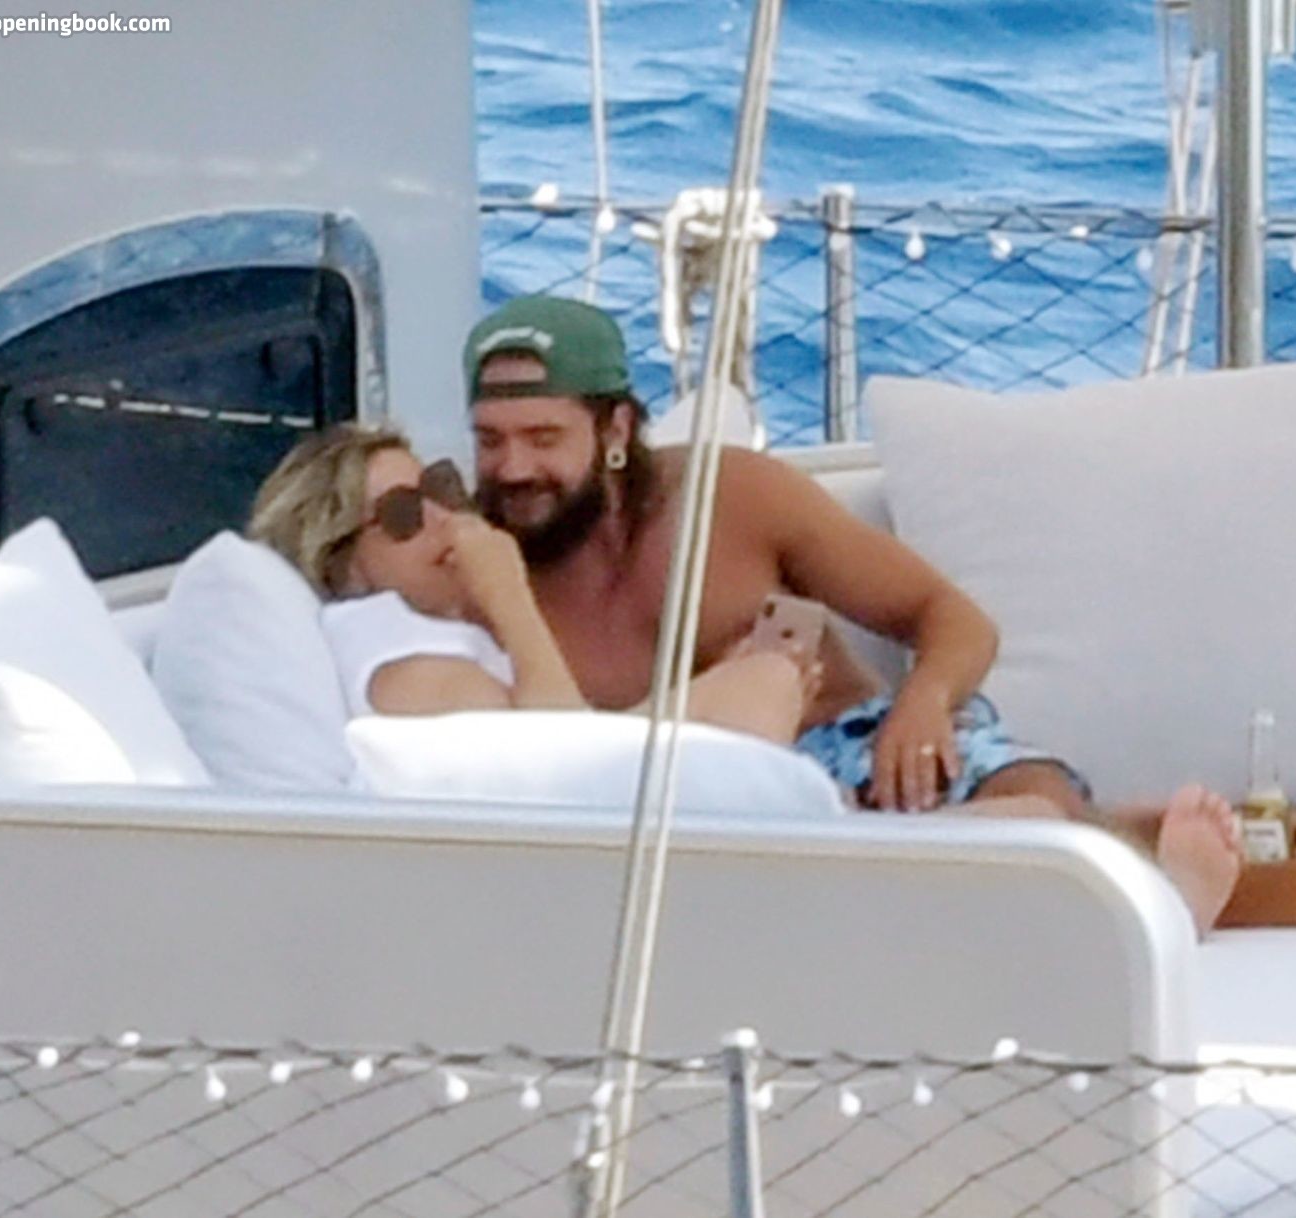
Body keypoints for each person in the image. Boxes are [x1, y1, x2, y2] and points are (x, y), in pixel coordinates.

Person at [462, 295, 1243, 934]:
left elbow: (951, 617)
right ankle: (1106, 862)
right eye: (489, 441)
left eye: (543, 438)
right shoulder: (477, 571)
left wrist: (923, 704)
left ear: (616, 430)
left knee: (1033, 786)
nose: (513, 469)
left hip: (857, 749)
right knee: (1032, 824)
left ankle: (1082, 850)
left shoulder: (732, 497)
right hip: (709, 812)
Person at [248, 424, 815, 745]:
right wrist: (509, 597)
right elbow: (560, 754)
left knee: (758, 679)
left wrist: (715, 691)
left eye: (441, 490)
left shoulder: (423, 634)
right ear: (342, 558)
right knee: (762, 684)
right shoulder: (398, 662)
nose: (445, 519)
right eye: (403, 513)